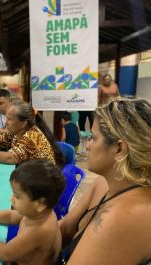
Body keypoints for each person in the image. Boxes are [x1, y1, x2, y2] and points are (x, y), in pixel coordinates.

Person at [58, 97, 151, 265]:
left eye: (93, 138)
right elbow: (65, 228)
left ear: (119, 149)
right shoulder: (103, 183)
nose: (87, 146)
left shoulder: (123, 216)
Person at [0, 99, 64, 168]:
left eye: (9, 119)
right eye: (6, 118)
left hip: (41, 183)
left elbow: (10, 158)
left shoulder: (31, 136)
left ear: (23, 123)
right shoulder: (14, 131)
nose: (6, 123)